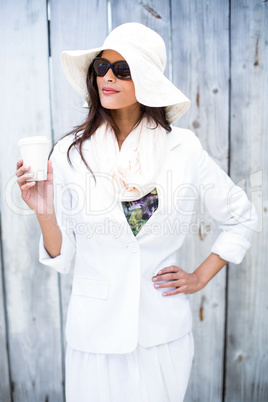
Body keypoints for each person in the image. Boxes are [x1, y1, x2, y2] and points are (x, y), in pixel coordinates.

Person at [16, 22, 258, 402]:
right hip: (94, 338)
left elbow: (241, 216)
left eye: (122, 70)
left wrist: (199, 277)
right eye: (100, 67)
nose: (107, 77)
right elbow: (64, 258)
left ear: (146, 80)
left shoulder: (184, 149)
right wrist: (44, 213)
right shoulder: (68, 154)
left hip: (162, 340)